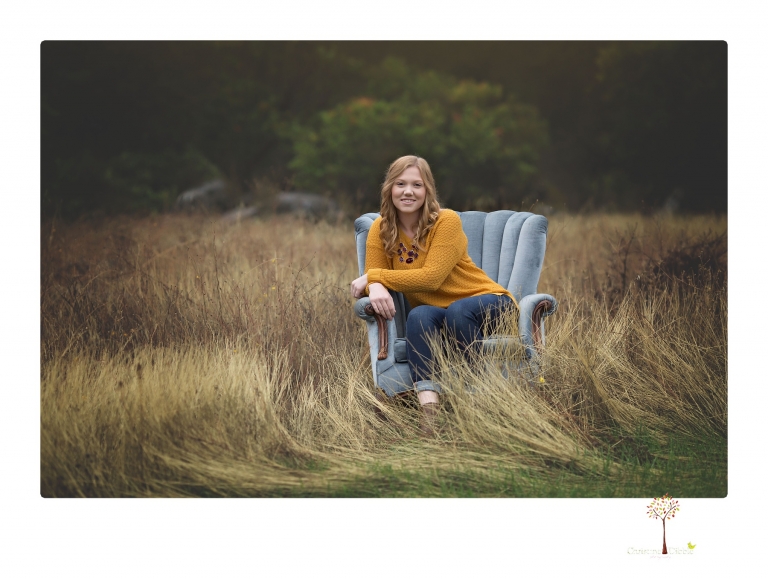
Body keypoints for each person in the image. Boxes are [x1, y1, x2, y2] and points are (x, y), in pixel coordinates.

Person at [350, 155, 518, 433]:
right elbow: (373, 276)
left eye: (417, 184)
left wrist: (374, 277)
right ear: (389, 188)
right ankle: (430, 413)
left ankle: (475, 406)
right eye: (400, 183)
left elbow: (431, 278)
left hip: (492, 305)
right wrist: (374, 285)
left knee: (459, 310)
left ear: (427, 190)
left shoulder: (446, 221)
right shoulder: (381, 229)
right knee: (419, 314)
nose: (408, 191)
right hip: (443, 314)